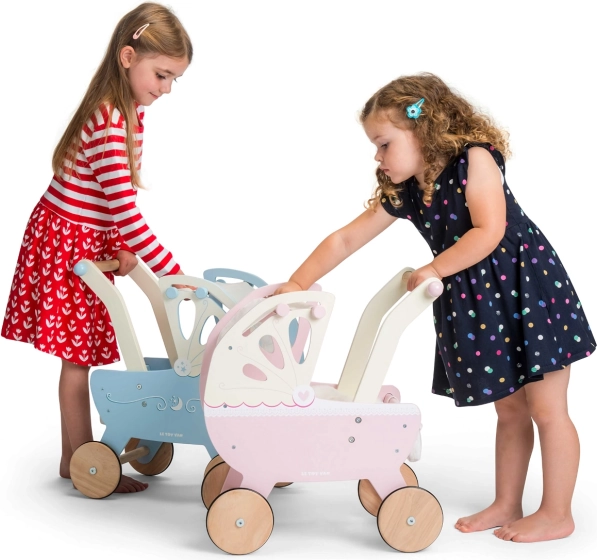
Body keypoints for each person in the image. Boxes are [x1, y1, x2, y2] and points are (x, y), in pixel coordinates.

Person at [275, 73, 594, 542]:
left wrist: (434, 268)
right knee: (509, 410)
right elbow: (346, 239)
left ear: (421, 131)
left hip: (527, 292)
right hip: (484, 305)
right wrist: (298, 282)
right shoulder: (408, 190)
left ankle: (557, 512)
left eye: (384, 144)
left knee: (547, 409)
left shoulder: (475, 160)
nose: (378, 157)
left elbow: (489, 231)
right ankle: (507, 502)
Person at [1, 2, 193, 493]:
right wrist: (172, 273)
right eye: (162, 75)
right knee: (76, 357)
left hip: (87, 237)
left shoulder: (130, 115)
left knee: (81, 351)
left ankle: (78, 455)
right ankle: (79, 460)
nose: (167, 88)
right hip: (67, 243)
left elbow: (113, 199)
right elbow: (125, 209)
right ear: (128, 57)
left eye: (174, 79)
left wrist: (122, 244)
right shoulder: (108, 121)